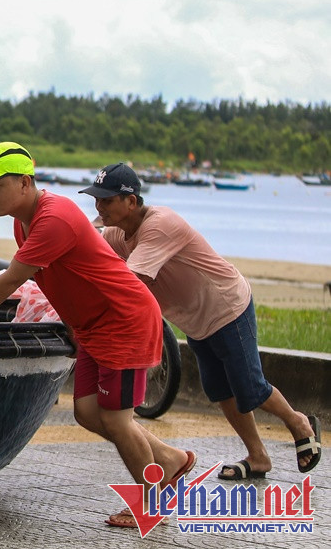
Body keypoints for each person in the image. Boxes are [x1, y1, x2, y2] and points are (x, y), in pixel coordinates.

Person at [0, 142, 194, 529]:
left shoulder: (54, 218)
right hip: (92, 325)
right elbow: (54, 278)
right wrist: (71, 324)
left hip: (123, 319)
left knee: (117, 420)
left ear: (25, 182)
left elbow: (11, 280)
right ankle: (170, 459)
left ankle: (153, 503)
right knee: (87, 413)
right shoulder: (23, 222)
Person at [82, 163, 321, 480]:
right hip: (195, 320)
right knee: (221, 391)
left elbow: (131, 283)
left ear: (131, 201)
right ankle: (259, 457)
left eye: (107, 200)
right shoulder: (117, 234)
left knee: (250, 387)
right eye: (96, 199)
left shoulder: (159, 225)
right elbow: (91, 249)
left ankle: (299, 423)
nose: (99, 206)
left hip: (227, 308)